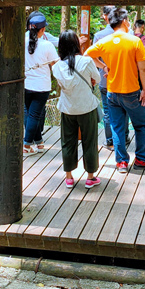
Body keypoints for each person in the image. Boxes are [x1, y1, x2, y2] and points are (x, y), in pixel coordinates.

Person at [85, 7, 145, 173]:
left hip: (112, 92)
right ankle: (141, 158)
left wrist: (104, 66)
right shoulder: (134, 41)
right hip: (132, 92)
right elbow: (142, 69)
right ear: (125, 22)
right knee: (141, 125)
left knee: (117, 127)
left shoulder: (105, 41)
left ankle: (121, 162)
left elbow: (87, 54)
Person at [52, 31, 102, 189]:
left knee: (67, 142)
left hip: (67, 108)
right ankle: (90, 177)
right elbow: (98, 79)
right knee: (90, 141)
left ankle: (68, 177)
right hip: (87, 107)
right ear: (76, 44)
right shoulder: (86, 62)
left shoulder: (57, 67)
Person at [24, 12, 59, 155]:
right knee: (34, 115)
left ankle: (38, 141)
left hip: (26, 84)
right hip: (42, 86)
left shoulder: (22, 42)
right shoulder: (47, 45)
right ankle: (26, 145)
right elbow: (55, 63)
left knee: (29, 113)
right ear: (43, 30)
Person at [94, 5, 118, 149]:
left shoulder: (99, 35)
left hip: (104, 79)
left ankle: (110, 139)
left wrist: (103, 67)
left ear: (105, 16)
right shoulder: (128, 34)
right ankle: (123, 136)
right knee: (123, 110)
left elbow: (92, 57)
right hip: (123, 81)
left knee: (108, 111)